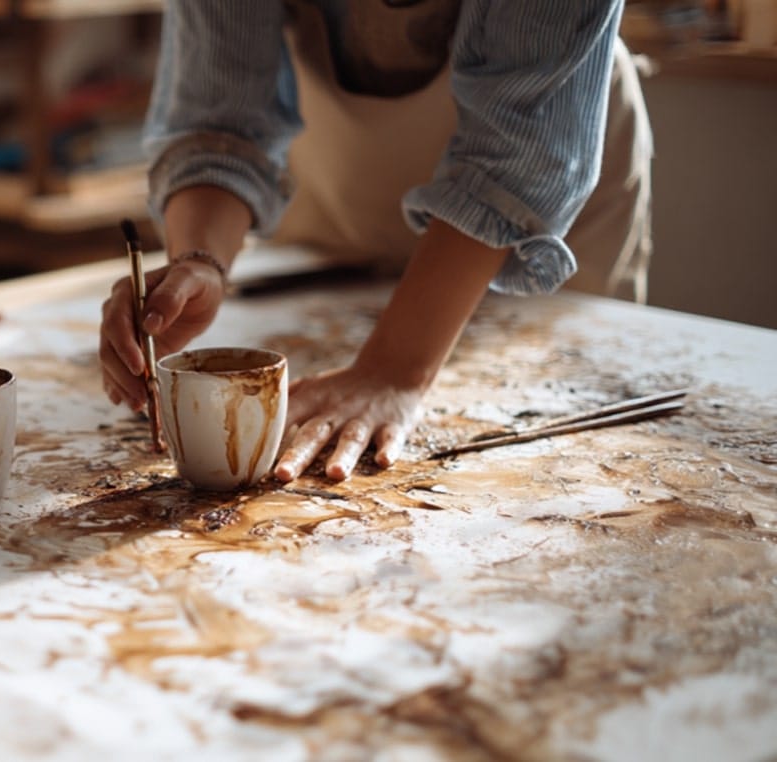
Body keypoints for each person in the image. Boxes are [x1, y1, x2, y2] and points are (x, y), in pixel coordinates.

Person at [100, 0, 652, 482]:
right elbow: (220, 122)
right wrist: (202, 259)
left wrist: (395, 369)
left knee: (559, 444)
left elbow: (516, 157)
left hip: (535, 188)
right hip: (342, 185)